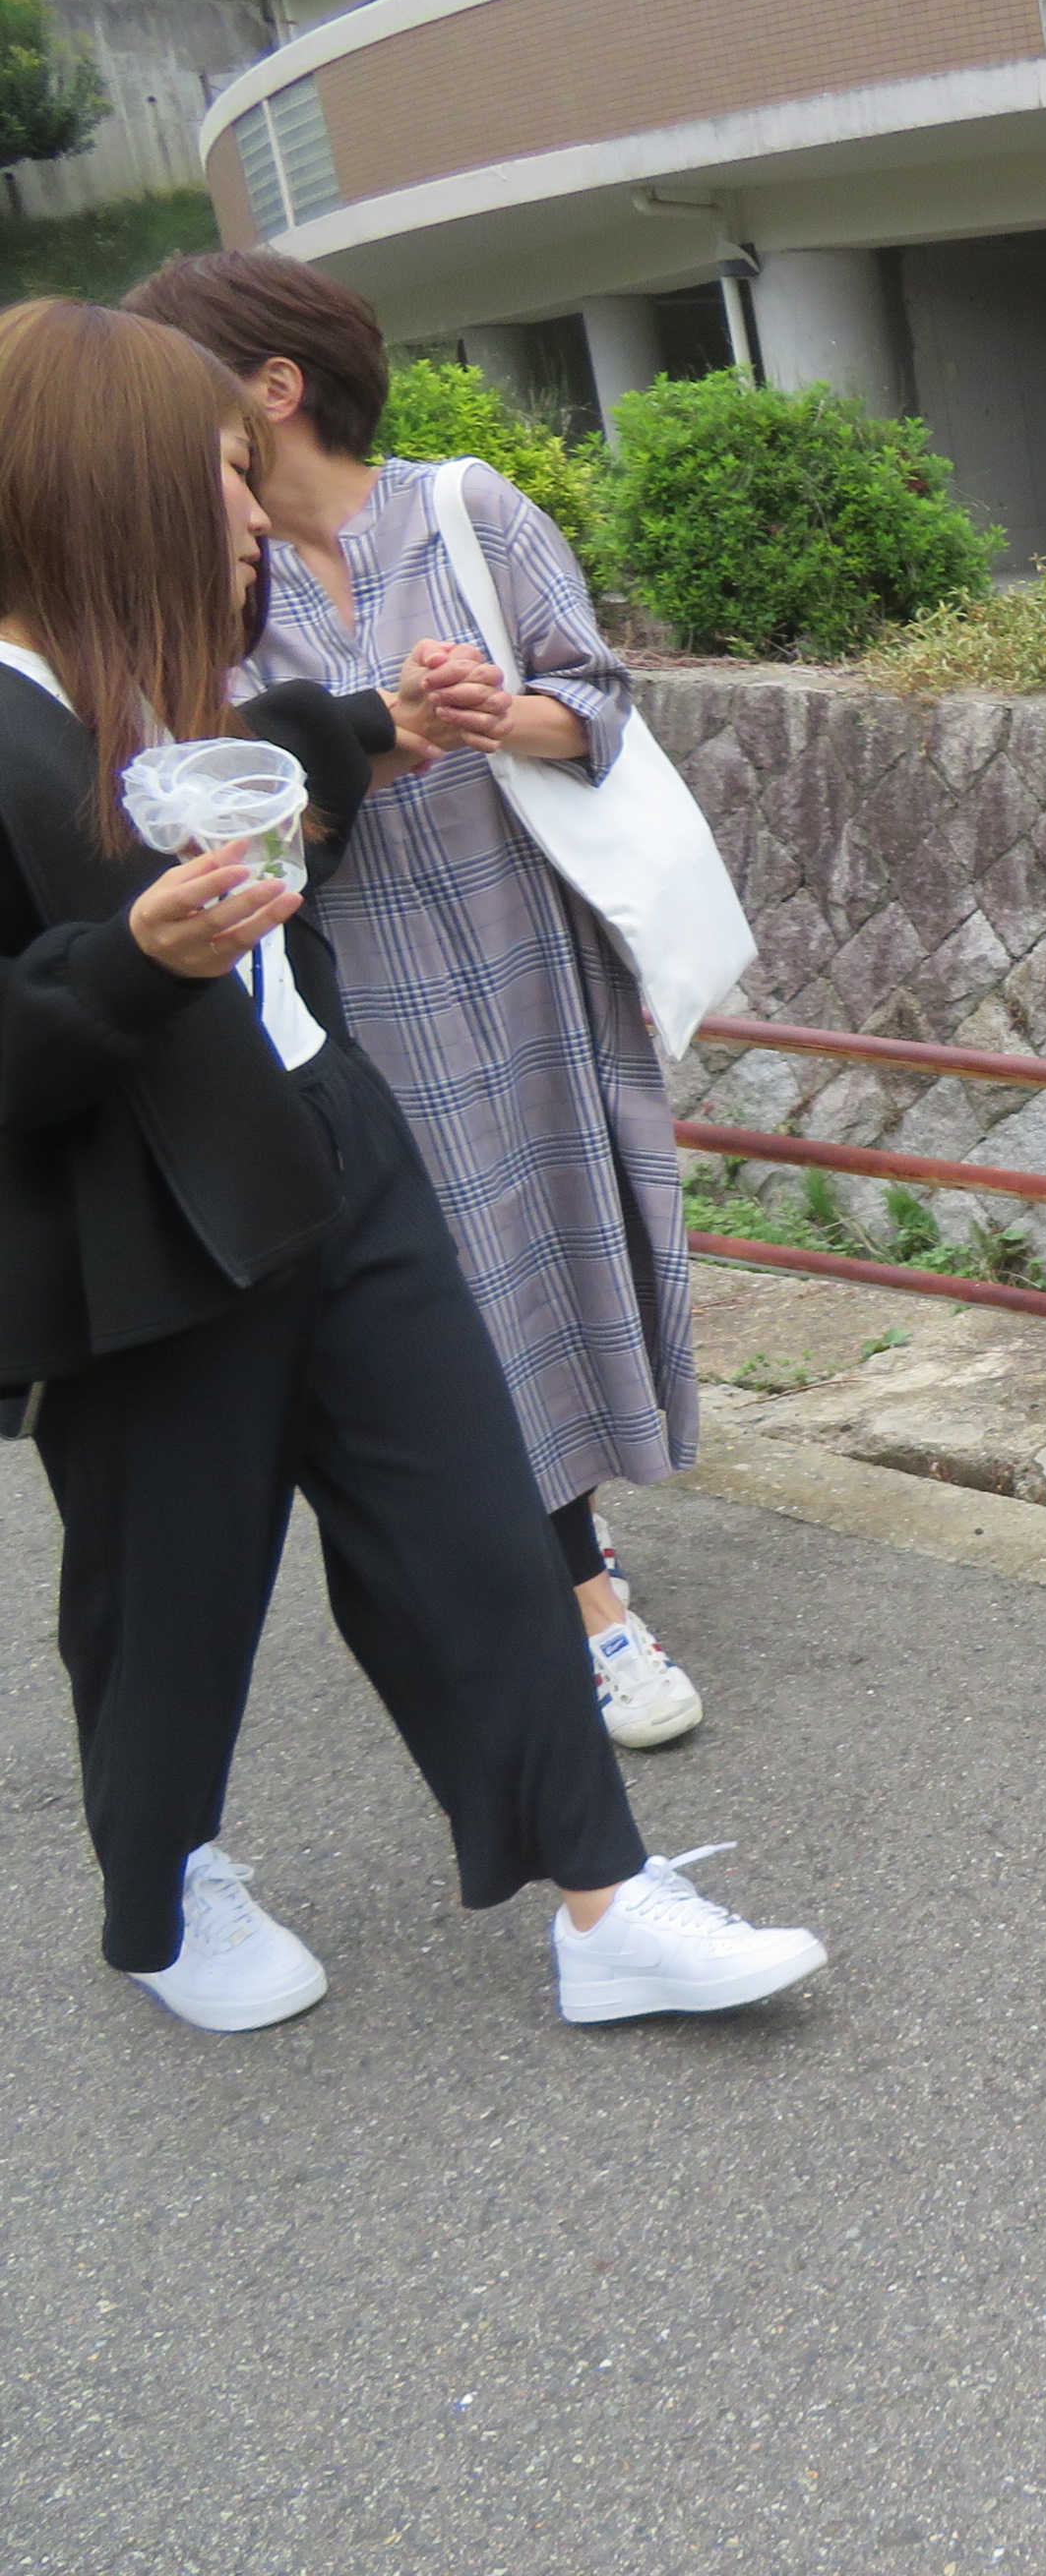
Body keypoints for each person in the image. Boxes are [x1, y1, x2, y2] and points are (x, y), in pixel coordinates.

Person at [0, 296, 826, 2032]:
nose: (253, 513)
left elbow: (283, 760)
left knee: (470, 1525)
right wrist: (129, 967)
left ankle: (605, 1901)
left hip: (334, 1141)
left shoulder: (156, 680)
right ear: (104, 489)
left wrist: (380, 720)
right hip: (150, 1240)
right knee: (170, 1598)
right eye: (220, 479)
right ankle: (164, 1890)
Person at [124, 252, 705, 1754]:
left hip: (534, 952)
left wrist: (492, 713)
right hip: (359, 984)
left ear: (273, 386)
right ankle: (584, 1599)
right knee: (462, 1275)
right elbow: (184, 782)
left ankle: (565, 1536)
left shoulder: (465, 508)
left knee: (563, 1244)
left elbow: (594, 697)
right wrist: (351, 744)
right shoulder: (196, 564)